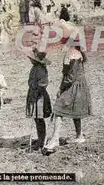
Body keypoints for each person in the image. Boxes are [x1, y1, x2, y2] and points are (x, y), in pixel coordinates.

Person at [43, 21, 92, 154]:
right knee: (75, 110)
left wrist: (61, 89)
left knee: (58, 109)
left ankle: (55, 138)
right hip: (80, 86)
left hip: (73, 86)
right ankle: (79, 135)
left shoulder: (72, 54)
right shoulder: (77, 52)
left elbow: (69, 77)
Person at [25, 49, 52, 151]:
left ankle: (41, 140)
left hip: (39, 96)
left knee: (39, 119)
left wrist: (37, 92)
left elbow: (43, 83)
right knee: (37, 118)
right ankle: (40, 138)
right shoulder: (35, 67)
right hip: (34, 94)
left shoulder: (40, 69)